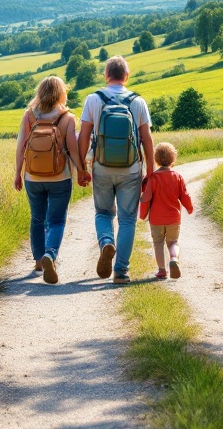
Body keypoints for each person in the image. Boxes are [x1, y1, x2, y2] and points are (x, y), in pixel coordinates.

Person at [78, 55, 154, 284]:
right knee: (128, 219)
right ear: (127, 76)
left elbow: (83, 137)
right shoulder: (137, 102)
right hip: (131, 170)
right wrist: (150, 171)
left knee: (103, 213)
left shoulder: (93, 99)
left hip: (101, 167)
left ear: (106, 75)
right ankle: (121, 271)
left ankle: (106, 242)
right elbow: (147, 139)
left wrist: (82, 167)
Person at [14, 75, 87, 284]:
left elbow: (20, 146)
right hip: (60, 178)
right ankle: (50, 255)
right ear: (61, 93)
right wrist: (81, 171)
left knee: (37, 218)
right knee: (56, 220)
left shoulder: (29, 115)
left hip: (33, 177)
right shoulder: (67, 118)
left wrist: (18, 173)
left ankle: (38, 262)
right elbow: (73, 149)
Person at [139, 142, 193, 280]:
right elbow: (184, 195)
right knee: (173, 242)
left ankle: (162, 270)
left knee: (158, 243)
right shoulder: (177, 176)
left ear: (156, 159)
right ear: (173, 158)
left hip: (156, 219)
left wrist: (143, 213)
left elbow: (146, 198)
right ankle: (174, 258)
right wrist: (189, 207)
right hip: (173, 218)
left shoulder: (153, 178)